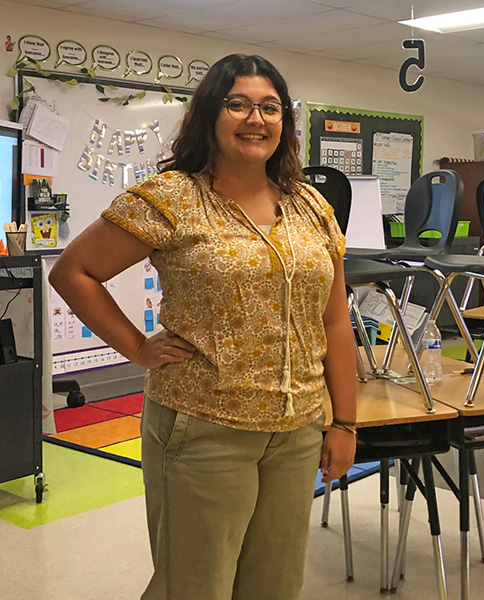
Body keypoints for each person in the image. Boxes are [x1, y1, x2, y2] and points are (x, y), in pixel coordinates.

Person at [49, 53, 357, 600]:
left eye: (270, 107)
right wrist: (139, 348)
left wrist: (345, 423)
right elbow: (75, 272)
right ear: (211, 114)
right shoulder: (173, 199)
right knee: (194, 587)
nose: (255, 119)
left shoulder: (311, 205)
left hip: (297, 428)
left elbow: (334, 319)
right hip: (204, 428)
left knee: (275, 586)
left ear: (284, 122)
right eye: (238, 104)